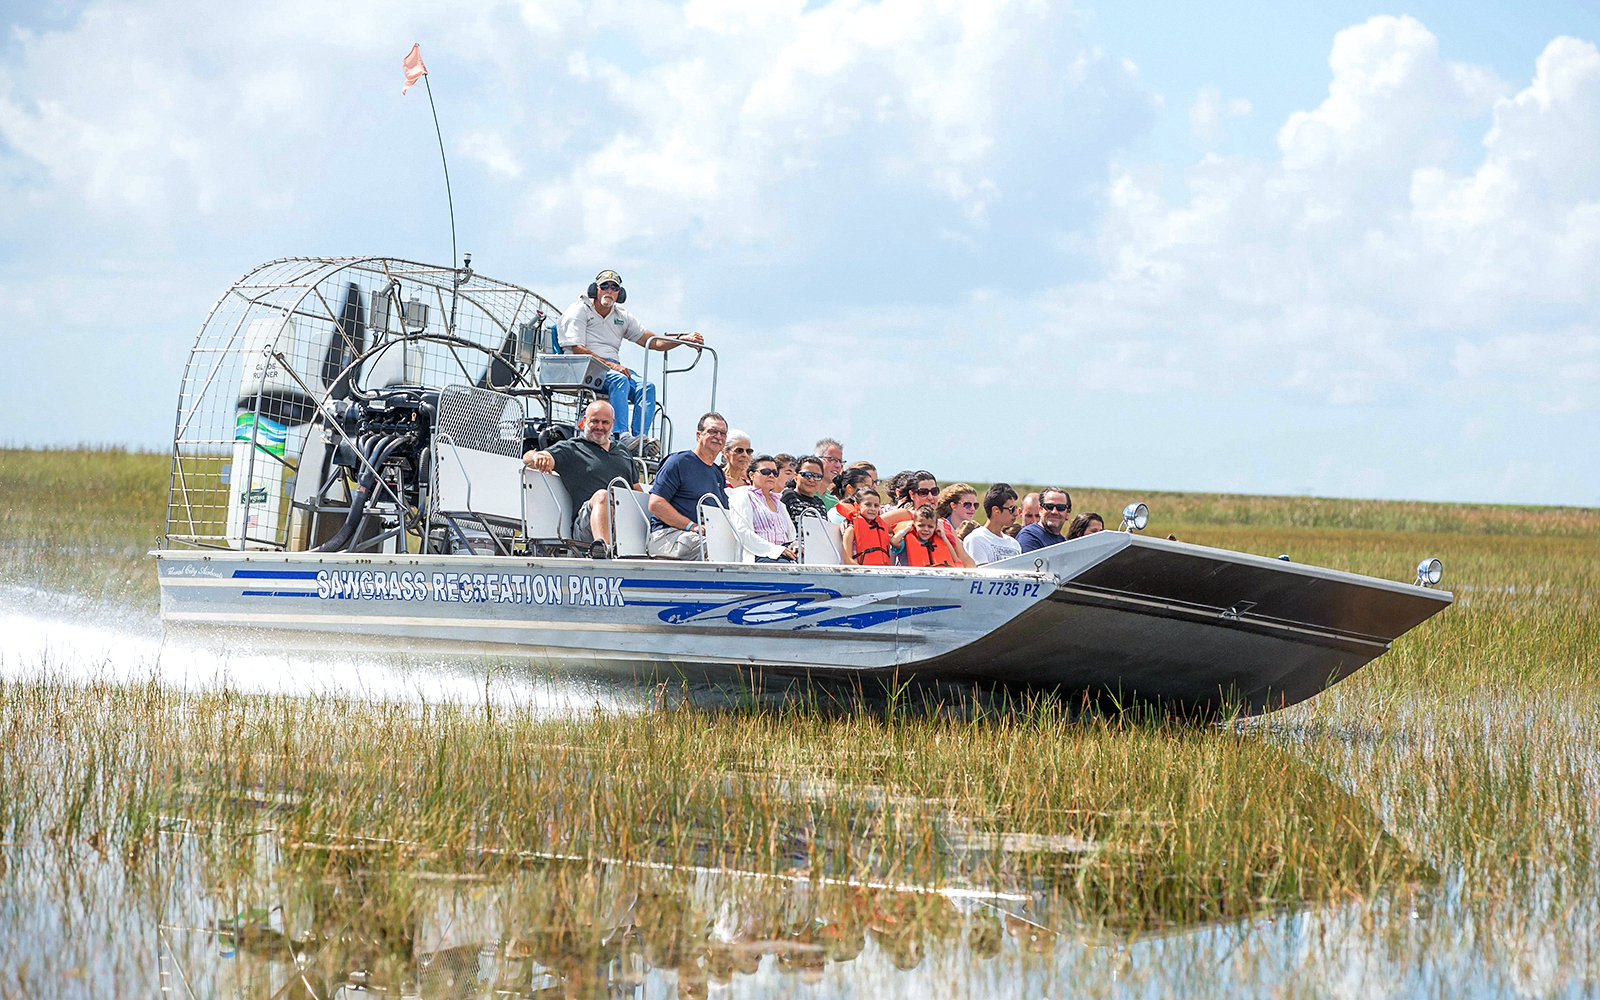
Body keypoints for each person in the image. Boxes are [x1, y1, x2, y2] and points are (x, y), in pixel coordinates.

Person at [558, 269, 703, 439]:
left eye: (614, 287)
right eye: (604, 286)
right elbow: (576, 348)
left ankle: (640, 439)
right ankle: (621, 434)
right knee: (619, 379)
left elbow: (653, 341)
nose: (609, 291)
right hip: (584, 366)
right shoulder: (580, 310)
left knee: (647, 387)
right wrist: (612, 366)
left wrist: (683, 339)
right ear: (595, 289)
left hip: (611, 367)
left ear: (620, 293)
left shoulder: (621, 316)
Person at [521, 399, 641, 550]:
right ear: (584, 421)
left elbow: (637, 490)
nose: (600, 427)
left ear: (612, 423)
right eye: (594, 421)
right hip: (587, 529)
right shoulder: (573, 448)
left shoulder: (623, 451)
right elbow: (528, 457)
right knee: (602, 496)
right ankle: (602, 548)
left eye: (605, 422)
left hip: (624, 526)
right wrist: (536, 457)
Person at [646, 412, 729, 558]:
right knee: (717, 547)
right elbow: (656, 504)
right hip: (669, 535)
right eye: (712, 431)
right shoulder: (678, 462)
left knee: (738, 546)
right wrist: (692, 526)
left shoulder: (717, 473)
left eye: (723, 433)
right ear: (698, 435)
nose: (718, 436)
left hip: (702, 537)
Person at [727, 455, 797, 562]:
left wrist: (795, 546)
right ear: (751, 475)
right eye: (765, 472)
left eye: (775, 473)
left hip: (784, 553)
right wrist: (775, 550)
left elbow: (790, 536)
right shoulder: (742, 498)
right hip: (759, 555)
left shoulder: (780, 503)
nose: (771, 475)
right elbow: (742, 533)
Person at [890, 504, 975, 568]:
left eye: (930, 527)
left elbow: (954, 558)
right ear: (914, 524)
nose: (926, 529)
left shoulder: (939, 540)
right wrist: (906, 529)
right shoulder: (906, 541)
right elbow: (894, 541)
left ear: (935, 527)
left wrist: (943, 537)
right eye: (921, 525)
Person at [965, 483, 1021, 564]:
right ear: (996, 510)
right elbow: (982, 574)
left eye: (1015, 508)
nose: (1016, 513)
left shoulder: (1014, 544)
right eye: (1011, 509)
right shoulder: (977, 539)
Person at [841, 485, 892, 566]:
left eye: (876, 505)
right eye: (868, 504)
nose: (873, 509)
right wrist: (865, 573)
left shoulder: (880, 528)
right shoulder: (851, 530)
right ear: (857, 506)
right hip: (860, 575)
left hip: (880, 574)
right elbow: (847, 560)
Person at [1017, 488, 1072, 553]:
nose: (1054, 512)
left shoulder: (1065, 543)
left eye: (1060, 507)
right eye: (1049, 506)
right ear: (1040, 510)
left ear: (1067, 514)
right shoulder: (1029, 536)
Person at [781, 455, 829, 524]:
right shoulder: (788, 496)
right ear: (796, 476)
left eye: (817, 476)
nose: (812, 480)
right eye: (807, 475)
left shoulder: (820, 503)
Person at [814, 438, 845, 513]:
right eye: (833, 460)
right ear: (818, 460)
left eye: (840, 462)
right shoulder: (802, 494)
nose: (838, 466)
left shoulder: (834, 503)